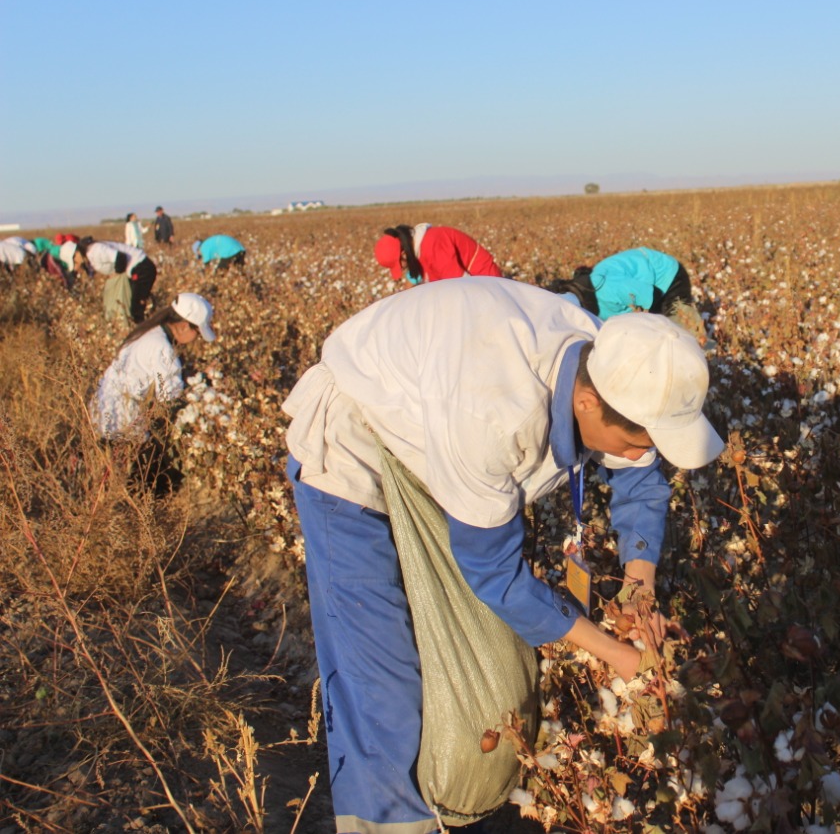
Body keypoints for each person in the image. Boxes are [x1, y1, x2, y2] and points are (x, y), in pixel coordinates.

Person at [282, 278, 723, 833]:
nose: (645, 452)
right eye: (642, 439)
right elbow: (495, 573)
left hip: (433, 439)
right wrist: (619, 655)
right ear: (586, 403)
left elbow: (640, 480)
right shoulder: (494, 414)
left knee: (463, 661)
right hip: (354, 445)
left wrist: (639, 588)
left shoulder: (615, 365)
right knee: (380, 685)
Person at [92, 293, 216, 493]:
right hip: (122, 419)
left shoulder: (150, 332)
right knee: (154, 482)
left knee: (130, 480)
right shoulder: (162, 348)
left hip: (107, 410)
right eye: (198, 332)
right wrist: (204, 384)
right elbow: (171, 396)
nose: (197, 339)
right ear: (184, 325)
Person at [548, 247, 706, 344]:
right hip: (644, 282)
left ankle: (706, 352)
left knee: (681, 332)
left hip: (668, 276)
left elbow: (652, 295)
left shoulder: (607, 288)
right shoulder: (584, 303)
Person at [372, 223, 502, 284]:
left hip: (486, 282)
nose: (403, 268)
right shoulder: (420, 248)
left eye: (401, 264)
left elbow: (460, 285)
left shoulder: (432, 245)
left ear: (403, 254)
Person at [74, 237, 158, 323]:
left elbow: (120, 257)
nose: (75, 262)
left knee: (136, 307)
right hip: (136, 269)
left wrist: (117, 273)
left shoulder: (96, 250)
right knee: (135, 302)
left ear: (77, 252)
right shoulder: (90, 256)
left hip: (141, 267)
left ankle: (142, 327)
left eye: (74, 260)